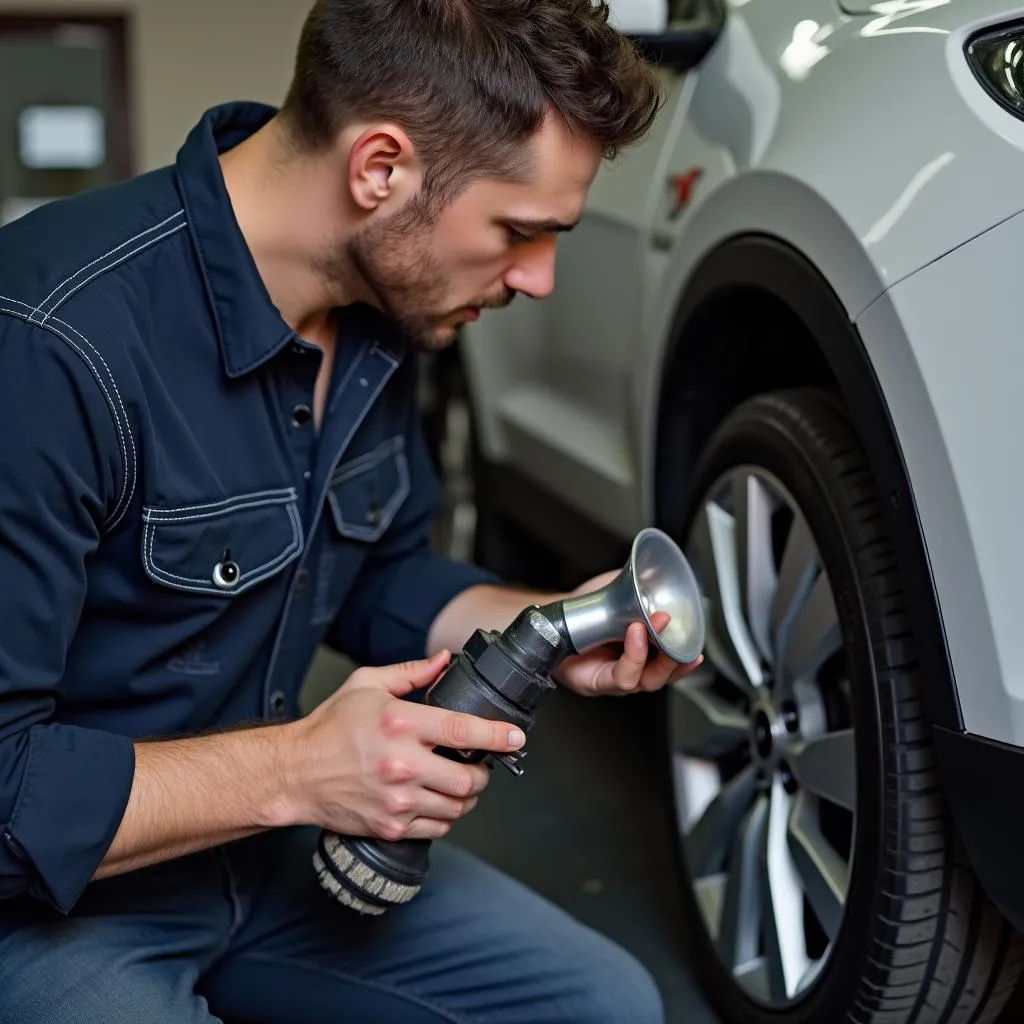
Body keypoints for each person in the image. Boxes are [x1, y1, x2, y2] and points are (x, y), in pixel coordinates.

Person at [0, 1, 702, 1021]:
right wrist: (300, 771)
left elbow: (370, 573)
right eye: (518, 231)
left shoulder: (385, 311)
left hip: (252, 852)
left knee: (605, 1005)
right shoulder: (50, 343)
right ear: (380, 168)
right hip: (50, 904)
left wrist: (553, 628)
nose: (538, 280)